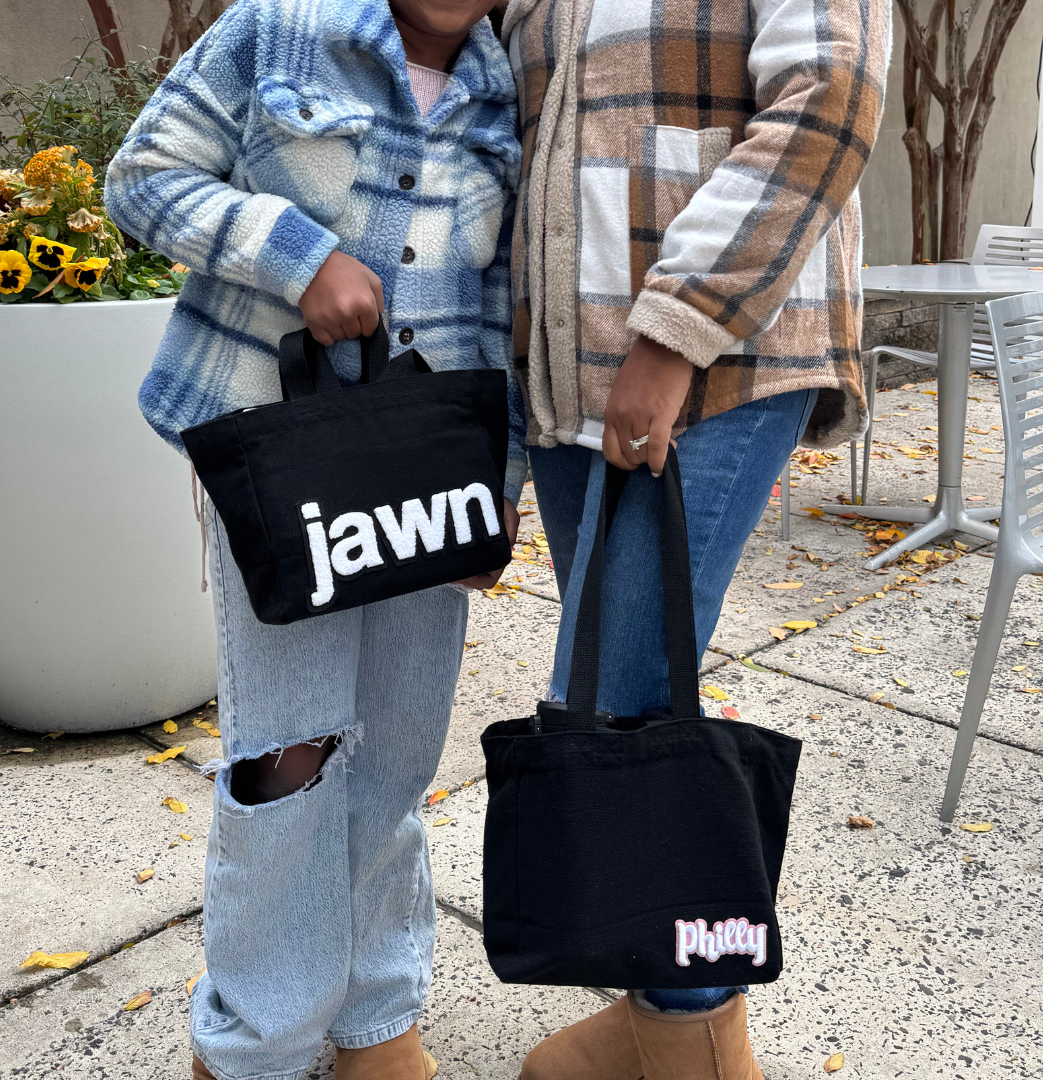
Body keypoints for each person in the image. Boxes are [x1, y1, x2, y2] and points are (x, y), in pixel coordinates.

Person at [104, 2, 524, 1078]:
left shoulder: (508, 88)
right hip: (277, 461)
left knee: (396, 758)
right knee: (288, 758)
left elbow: (500, 308)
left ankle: (376, 1022)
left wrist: (497, 484)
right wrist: (299, 257)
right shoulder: (276, 28)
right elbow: (143, 179)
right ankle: (256, 1041)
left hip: (426, 481)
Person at [502, 0, 890, 1077]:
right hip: (568, 371)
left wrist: (677, 331)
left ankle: (695, 1031)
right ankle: (661, 1018)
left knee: (623, 699)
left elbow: (832, 94)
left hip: (718, 352)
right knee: (616, 700)